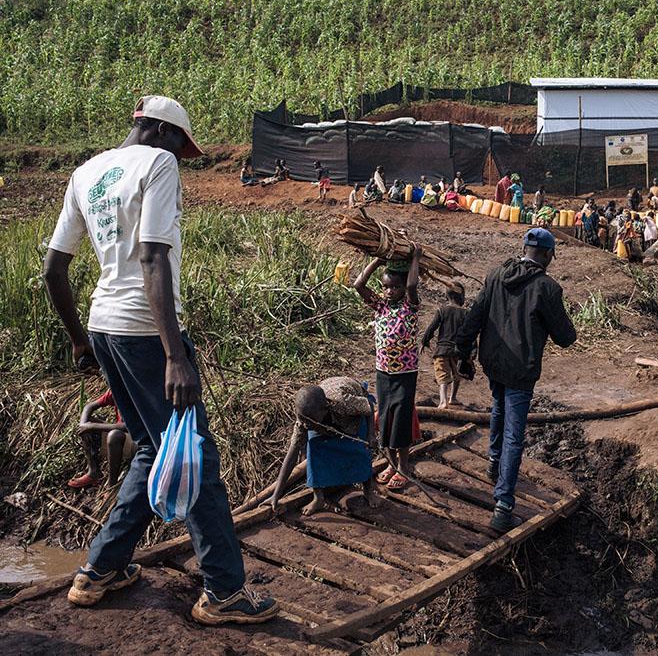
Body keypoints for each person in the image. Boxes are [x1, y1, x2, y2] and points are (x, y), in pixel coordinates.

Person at [43, 95, 277, 623]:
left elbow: (54, 271)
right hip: (147, 334)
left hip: (105, 328)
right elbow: (152, 256)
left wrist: (81, 341)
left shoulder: (86, 173)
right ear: (163, 133)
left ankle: (100, 569)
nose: (181, 155)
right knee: (193, 457)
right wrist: (175, 355)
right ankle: (226, 593)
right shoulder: (159, 164)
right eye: (180, 143)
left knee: (152, 447)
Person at [455, 229, 576, 532]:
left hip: (493, 362)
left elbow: (475, 316)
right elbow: (565, 337)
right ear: (548, 256)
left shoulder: (495, 275)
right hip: (521, 369)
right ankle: (503, 505)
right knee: (514, 433)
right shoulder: (547, 288)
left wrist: (463, 352)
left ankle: (494, 464)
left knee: (498, 405)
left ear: (523, 248)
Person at [354, 247, 422, 491]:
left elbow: (413, 287)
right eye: (386, 287)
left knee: (401, 420)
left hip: (404, 374)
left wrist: (415, 258)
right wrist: (377, 261)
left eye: (395, 287)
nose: (390, 291)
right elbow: (358, 284)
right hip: (383, 371)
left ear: (403, 288)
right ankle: (391, 464)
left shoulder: (410, 307)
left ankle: (403, 467)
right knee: (385, 418)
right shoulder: (381, 306)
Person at [269, 377, 377, 515]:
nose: (305, 424)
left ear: (325, 409)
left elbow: (368, 406)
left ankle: (368, 490)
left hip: (352, 417)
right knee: (314, 448)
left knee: (360, 449)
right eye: (302, 419)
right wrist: (276, 495)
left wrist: (371, 434)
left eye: (309, 421)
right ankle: (318, 497)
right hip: (324, 420)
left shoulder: (344, 402)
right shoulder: (306, 417)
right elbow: (292, 454)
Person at [68, 389, 134, 489]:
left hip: (137, 442)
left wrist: (93, 426)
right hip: (122, 436)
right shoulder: (116, 388)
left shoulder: (135, 390)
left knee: (114, 435)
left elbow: (132, 426)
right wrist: (84, 425)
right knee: (87, 423)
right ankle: (93, 472)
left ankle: (111, 485)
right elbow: (89, 406)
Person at [421, 285, 472, 409]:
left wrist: (424, 341)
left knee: (442, 375)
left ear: (447, 296)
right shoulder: (465, 313)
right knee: (457, 374)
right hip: (458, 350)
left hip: (442, 350)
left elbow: (432, 327)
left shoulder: (442, 310)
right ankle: (452, 398)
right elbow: (469, 333)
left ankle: (443, 401)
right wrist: (471, 351)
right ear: (461, 296)